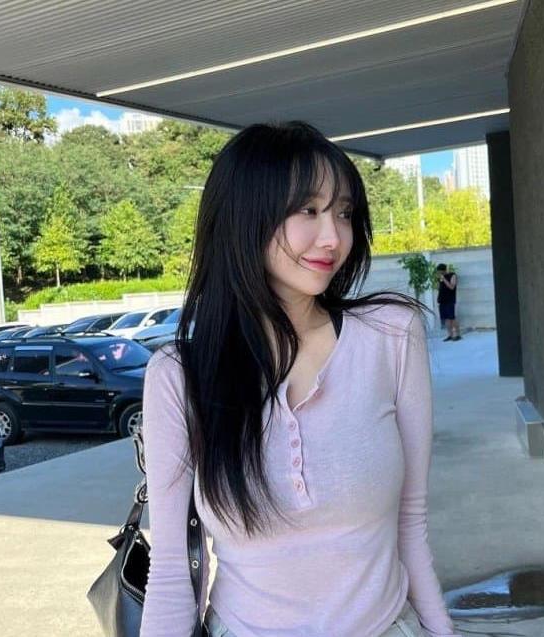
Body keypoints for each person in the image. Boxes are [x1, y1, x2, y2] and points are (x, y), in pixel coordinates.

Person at [141, 122, 456, 637]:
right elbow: (173, 570)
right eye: (308, 210)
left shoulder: (390, 334)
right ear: (245, 218)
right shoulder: (180, 376)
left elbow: (411, 523)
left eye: (344, 213)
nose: (333, 237)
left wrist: (442, 631)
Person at [435, 264, 460, 341]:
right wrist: (438, 281)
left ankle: (457, 335)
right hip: (442, 300)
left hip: (450, 300)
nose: (439, 273)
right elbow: (439, 288)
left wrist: (444, 279)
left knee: (452, 318)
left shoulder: (452, 275)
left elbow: (452, 287)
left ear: (443, 270)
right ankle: (450, 335)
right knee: (446, 319)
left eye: (440, 272)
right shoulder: (440, 278)